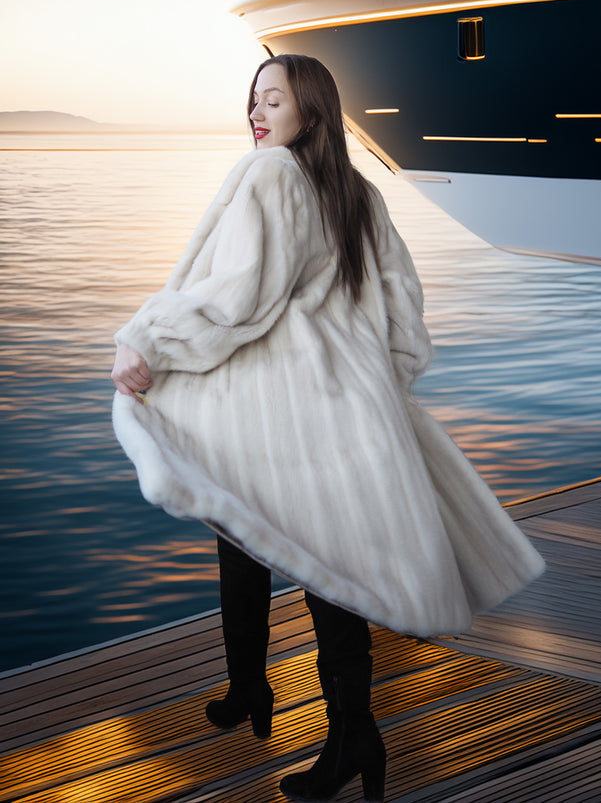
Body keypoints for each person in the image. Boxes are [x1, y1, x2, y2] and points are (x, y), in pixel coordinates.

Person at [111, 54, 545, 802]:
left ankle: (286, 705)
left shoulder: (268, 174)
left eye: (272, 100)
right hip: (346, 395)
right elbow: (402, 307)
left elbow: (239, 295)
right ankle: (316, 717)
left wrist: (147, 339)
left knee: (246, 525)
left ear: (309, 109)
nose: (256, 114)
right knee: (321, 557)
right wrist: (382, 386)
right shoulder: (358, 190)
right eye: (253, 100)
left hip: (272, 394)